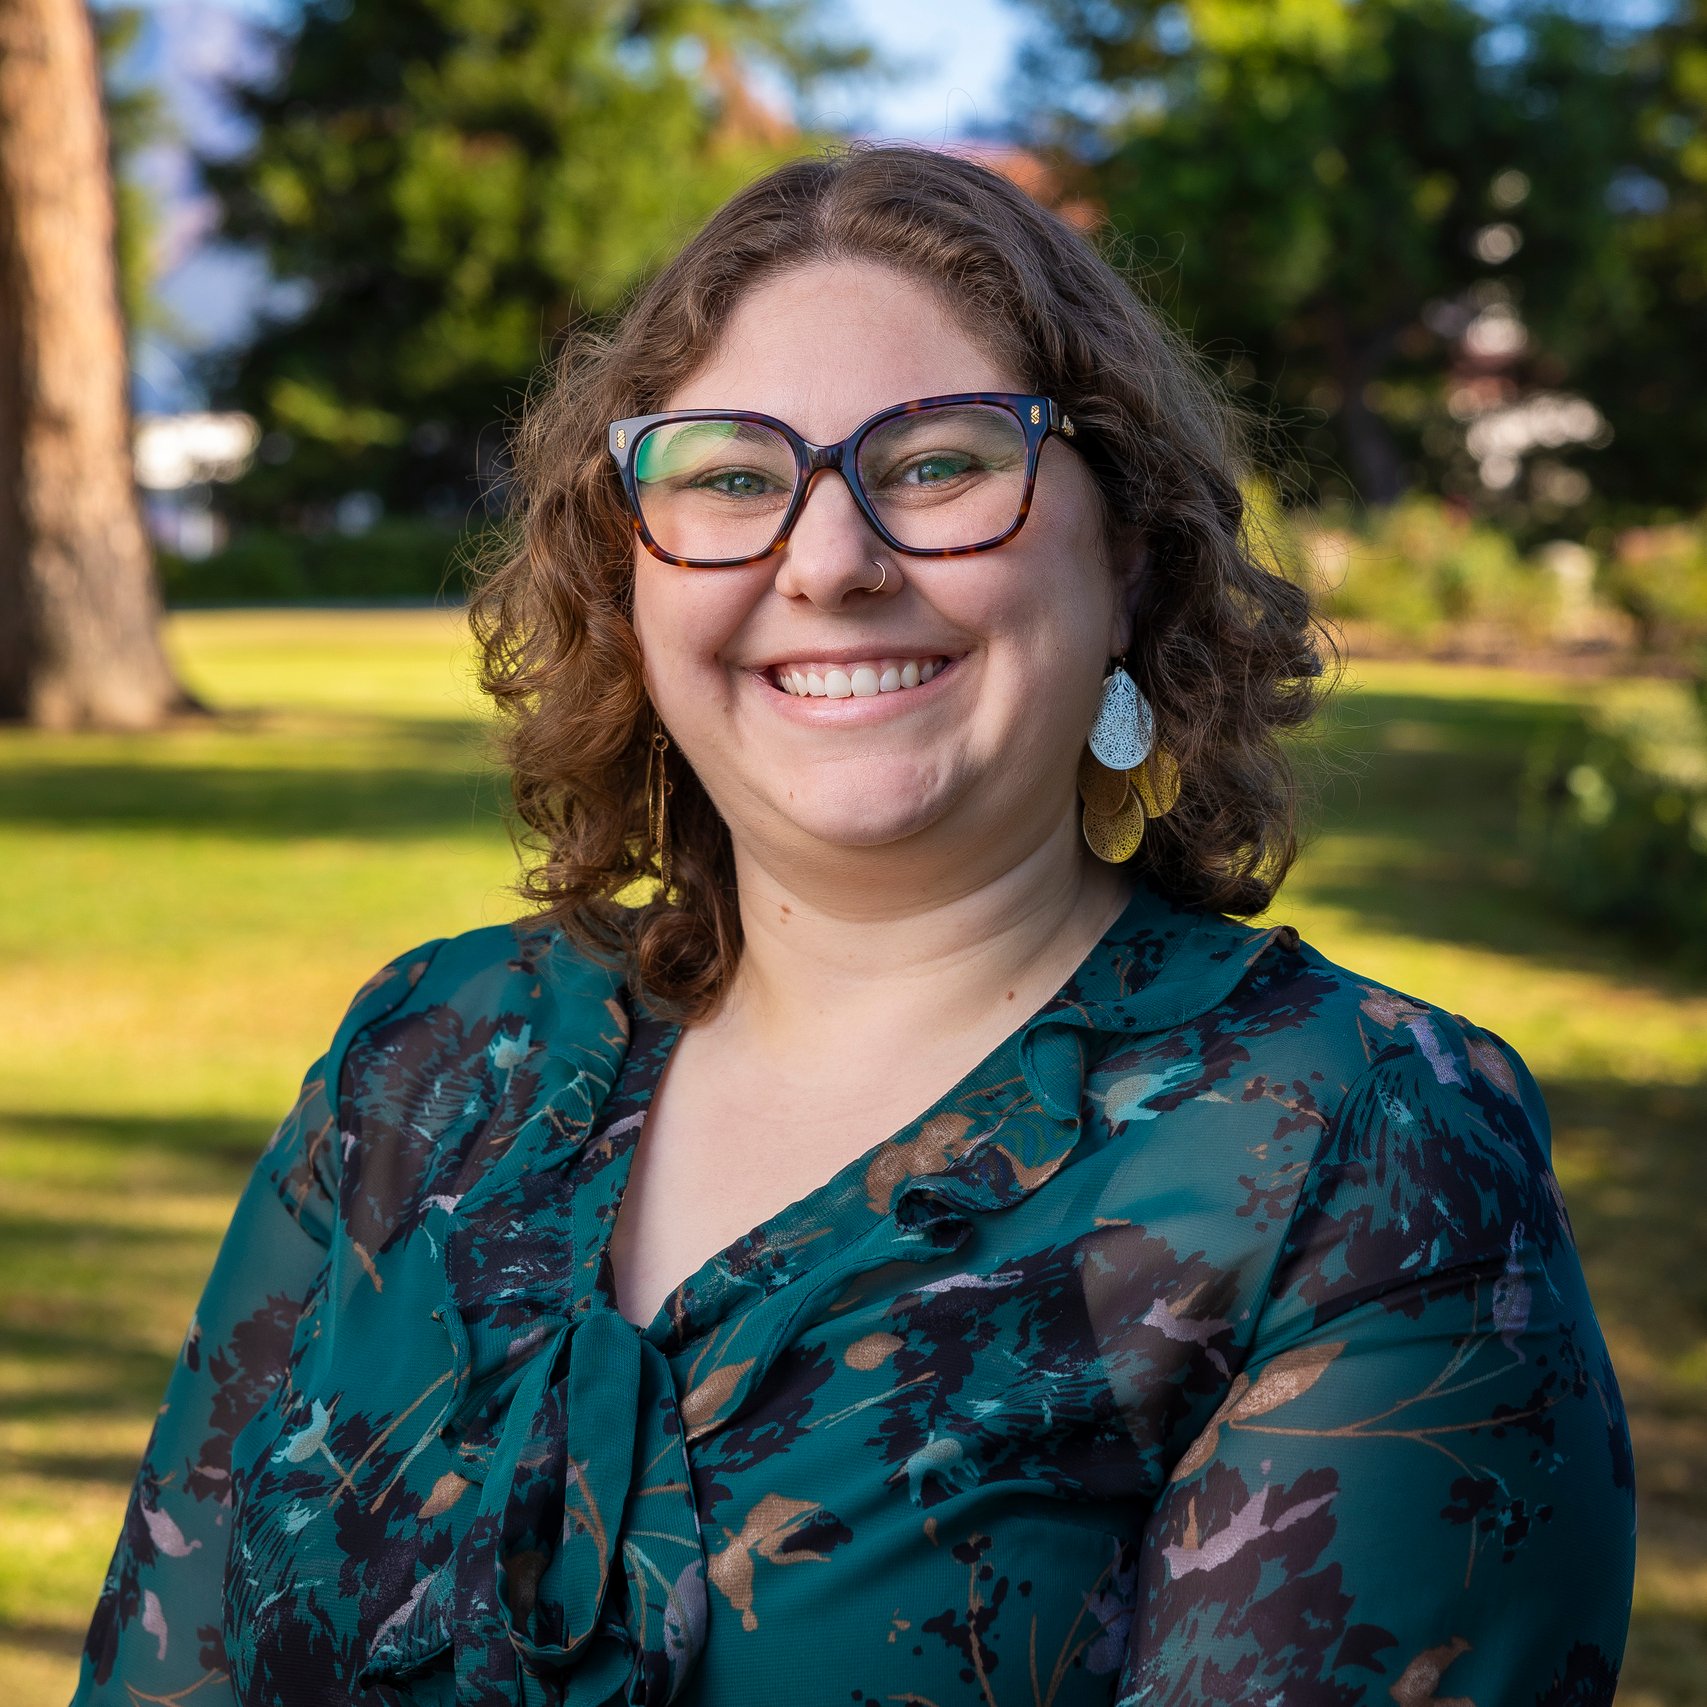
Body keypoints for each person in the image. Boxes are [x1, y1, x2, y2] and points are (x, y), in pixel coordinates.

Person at [74, 144, 1635, 1707]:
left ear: (1129, 556)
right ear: (629, 580)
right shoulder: (423, 1066)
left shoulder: (1357, 1151)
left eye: (942, 465)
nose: (828, 562)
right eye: (732, 478)